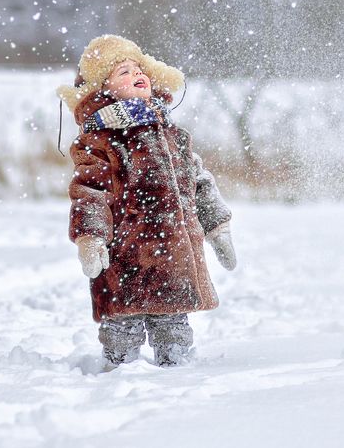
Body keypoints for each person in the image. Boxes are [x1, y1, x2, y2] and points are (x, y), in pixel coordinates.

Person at [55, 34, 237, 367]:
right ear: (103, 88)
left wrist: (217, 226)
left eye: (138, 68)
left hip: (175, 258)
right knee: (123, 329)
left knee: (174, 328)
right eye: (123, 71)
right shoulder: (101, 140)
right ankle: (118, 372)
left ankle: (176, 372)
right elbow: (90, 191)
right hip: (126, 258)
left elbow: (198, 181)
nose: (136, 74)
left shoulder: (173, 135)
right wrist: (91, 236)